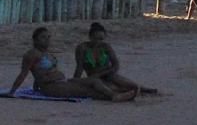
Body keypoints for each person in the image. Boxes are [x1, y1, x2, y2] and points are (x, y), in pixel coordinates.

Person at [7, 27, 136, 101]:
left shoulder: (47, 53)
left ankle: (120, 92)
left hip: (62, 81)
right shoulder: (31, 54)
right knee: (86, 91)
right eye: (43, 37)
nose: (47, 40)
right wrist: (12, 91)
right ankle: (115, 96)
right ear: (35, 39)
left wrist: (36, 83)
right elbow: (24, 73)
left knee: (94, 82)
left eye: (48, 37)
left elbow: (39, 71)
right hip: (51, 87)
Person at [74, 22, 157, 94]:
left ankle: (142, 89)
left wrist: (102, 73)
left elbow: (116, 65)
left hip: (107, 74)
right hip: (93, 76)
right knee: (102, 86)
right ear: (90, 37)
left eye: (101, 39)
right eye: (96, 39)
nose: (98, 42)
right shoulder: (82, 48)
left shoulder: (106, 47)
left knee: (128, 84)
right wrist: (76, 80)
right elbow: (79, 67)